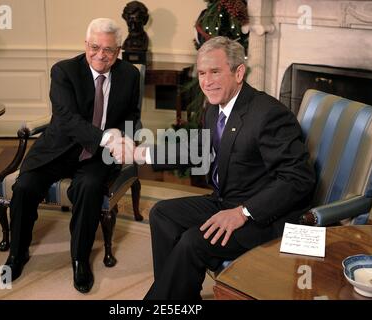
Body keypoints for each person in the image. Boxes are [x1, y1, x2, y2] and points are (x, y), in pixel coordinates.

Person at [129, 36, 316, 299]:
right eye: (202, 73)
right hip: (226, 200)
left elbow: (299, 179)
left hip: (265, 216)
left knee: (193, 241)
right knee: (162, 213)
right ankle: (177, 297)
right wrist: (141, 153)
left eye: (215, 72)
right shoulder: (215, 108)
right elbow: (199, 151)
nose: (206, 81)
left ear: (238, 72)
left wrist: (244, 212)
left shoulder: (268, 114)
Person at [3, 18, 141, 294]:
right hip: (58, 150)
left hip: (98, 156)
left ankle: (80, 259)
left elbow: (131, 115)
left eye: (109, 50)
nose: (101, 55)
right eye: (95, 47)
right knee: (25, 187)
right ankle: (17, 254)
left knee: (89, 188)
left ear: (119, 50)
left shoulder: (130, 75)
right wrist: (105, 137)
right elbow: (66, 119)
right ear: (85, 44)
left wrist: (124, 137)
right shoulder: (64, 71)